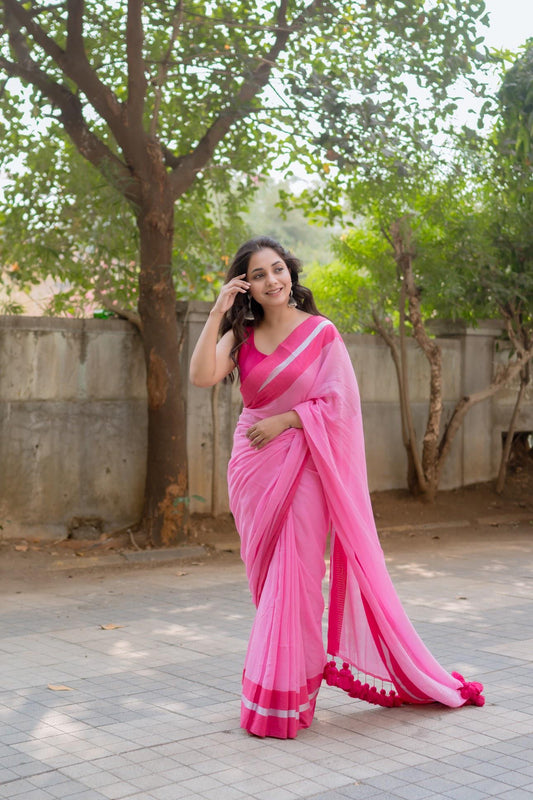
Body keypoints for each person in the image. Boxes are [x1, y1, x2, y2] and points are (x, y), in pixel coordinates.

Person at [189, 235, 485, 739]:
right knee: (270, 582)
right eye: (258, 275)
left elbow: (341, 408)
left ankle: (283, 697)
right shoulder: (241, 333)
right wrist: (219, 308)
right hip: (252, 469)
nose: (271, 281)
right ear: (248, 286)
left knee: (296, 578)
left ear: (291, 272)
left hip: (304, 465)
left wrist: (287, 420)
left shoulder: (321, 334)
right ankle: (287, 684)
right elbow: (200, 376)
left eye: (277, 269)